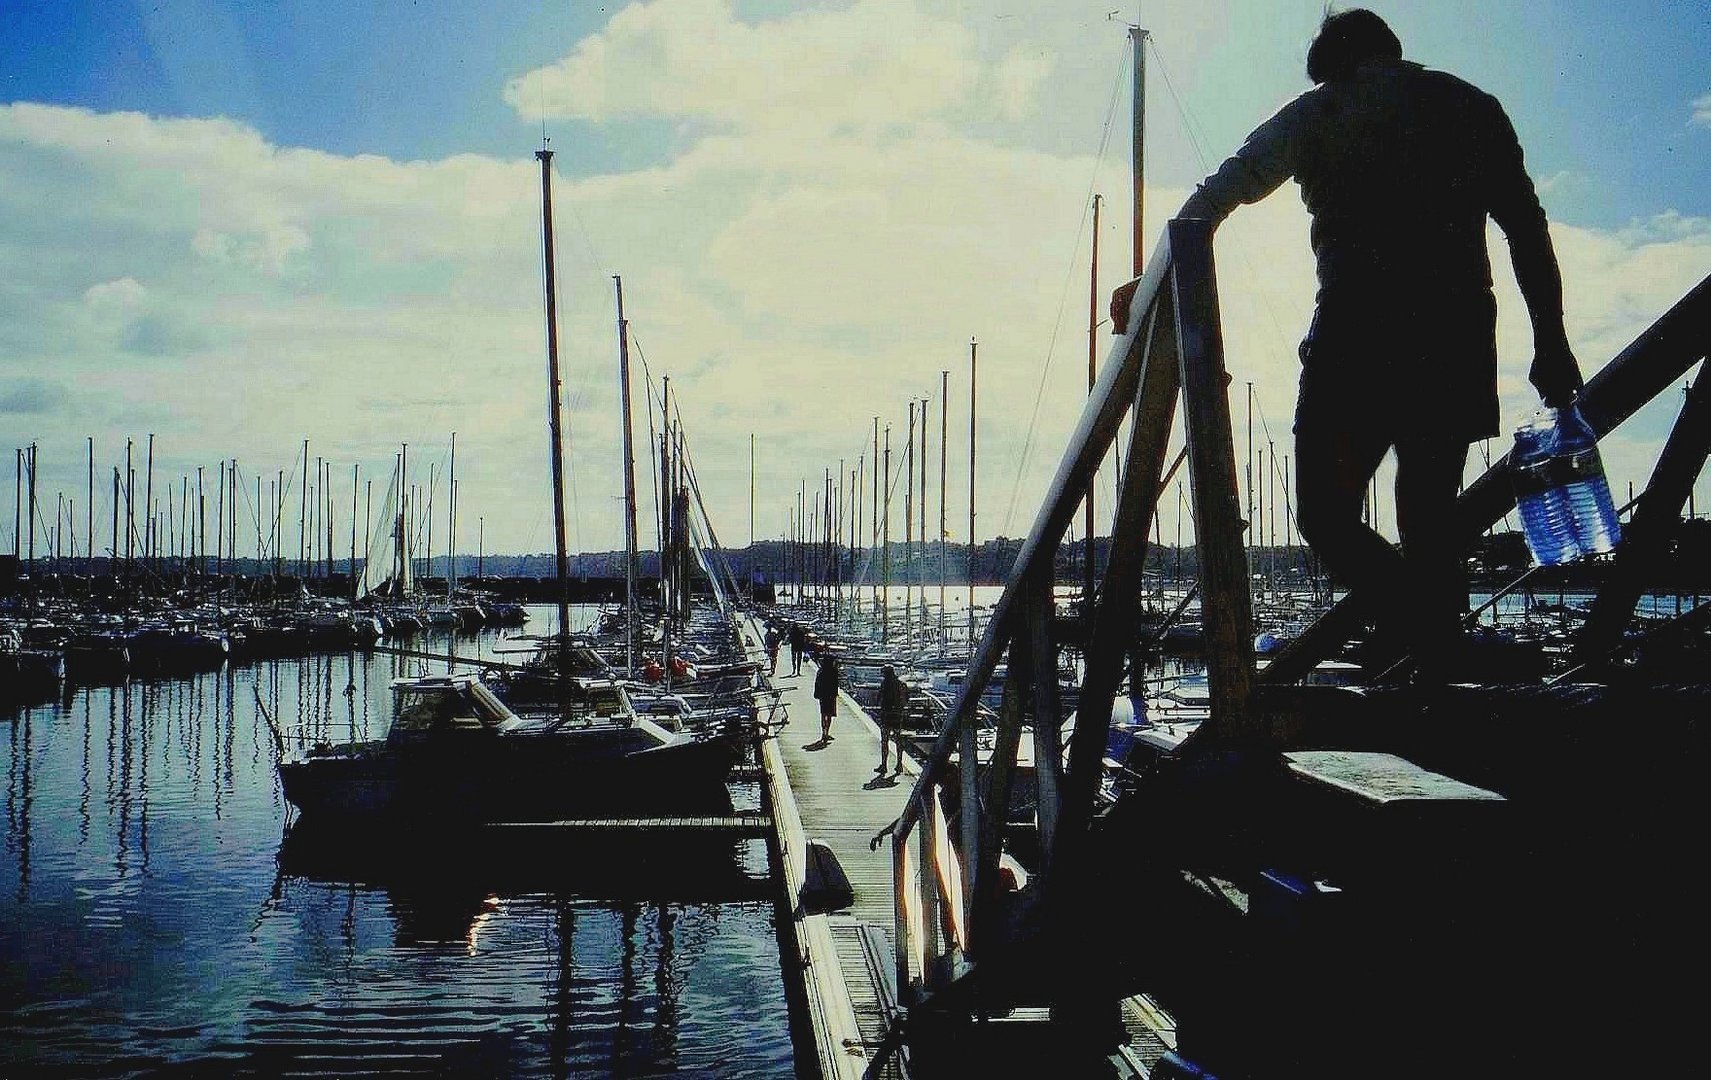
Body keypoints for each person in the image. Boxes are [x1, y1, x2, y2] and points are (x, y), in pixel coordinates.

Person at [1111, 8, 1583, 680]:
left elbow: (1219, 191)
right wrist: (1551, 342)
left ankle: (1419, 634)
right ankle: (1429, 645)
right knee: (1427, 520)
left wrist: (1153, 272)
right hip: (1452, 343)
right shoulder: (1471, 106)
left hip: (1352, 343)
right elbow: (1525, 231)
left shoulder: (1318, 111)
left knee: (1325, 516)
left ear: (1332, 63)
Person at [876, 665, 909, 777]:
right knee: (898, 740)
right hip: (897, 715)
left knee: (885, 741)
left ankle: (884, 765)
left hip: (886, 715)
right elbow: (906, 698)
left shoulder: (885, 684)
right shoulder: (901, 684)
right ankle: (899, 763)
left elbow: (878, 698)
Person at [813, 649, 841, 744]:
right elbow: (836, 684)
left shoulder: (821, 671)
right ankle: (827, 731)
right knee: (829, 715)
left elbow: (817, 683)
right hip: (831, 695)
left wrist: (816, 694)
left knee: (823, 714)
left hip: (822, 695)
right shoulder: (834, 671)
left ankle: (823, 732)